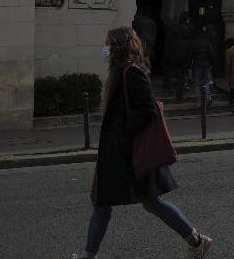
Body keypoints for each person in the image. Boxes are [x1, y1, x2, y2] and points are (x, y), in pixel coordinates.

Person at [73, 26, 212, 258]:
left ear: (116, 46)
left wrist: (124, 133)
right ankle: (196, 240)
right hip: (118, 153)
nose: (103, 48)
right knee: (107, 202)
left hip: (128, 153)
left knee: (143, 202)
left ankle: (197, 240)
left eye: (106, 43)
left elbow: (148, 109)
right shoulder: (120, 72)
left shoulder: (131, 72)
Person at [191, 24, 216, 108]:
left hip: (197, 65)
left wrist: (190, 65)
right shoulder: (207, 42)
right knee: (207, 81)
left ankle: (199, 102)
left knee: (197, 83)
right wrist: (213, 63)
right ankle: (208, 97)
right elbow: (211, 53)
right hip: (206, 64)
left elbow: (191, 54)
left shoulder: (194, 43)